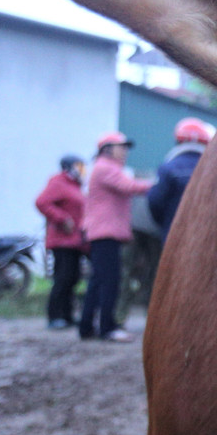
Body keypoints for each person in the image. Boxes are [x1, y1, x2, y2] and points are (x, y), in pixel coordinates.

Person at [80, 131, 151, 343]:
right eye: (122, 146)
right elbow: (131, 186)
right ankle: (107, 328)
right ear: (107, 149)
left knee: (98, 281)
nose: (125, 151)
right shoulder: (106, 168)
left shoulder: (104, 167)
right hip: (106, 234)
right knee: (110, 281)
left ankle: (87, 327)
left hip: (102, 233)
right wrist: (160, 184)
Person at [34, 155, 88, 329]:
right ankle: (55, 316)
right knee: (62, 279)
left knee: (72, 278)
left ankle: (67, 315)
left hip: (75, 241)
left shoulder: (75, 185)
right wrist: (62, 218)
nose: (83, 170)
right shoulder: (58, 182)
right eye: (79, 167)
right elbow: (41, 202)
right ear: (69, 167)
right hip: (62, 241)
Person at [148, 117, 214, 241]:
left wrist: (166, 223)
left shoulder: (167, 168)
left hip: (173, 236)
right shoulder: (215, 170)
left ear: (178, 141)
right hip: (207, 239)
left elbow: (154, 201)